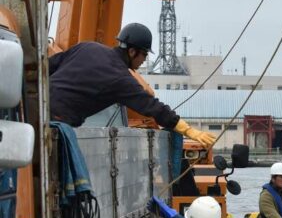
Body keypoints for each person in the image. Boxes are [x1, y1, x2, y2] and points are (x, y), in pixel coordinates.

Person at [49, 23, 215, 147]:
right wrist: (188, 130)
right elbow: (151, 106)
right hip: (57, 123)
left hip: (35, 107)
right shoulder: (120, 78)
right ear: (132, 51)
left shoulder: (87, 47)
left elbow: (49, 65)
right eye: (144, 54)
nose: (144, 59)